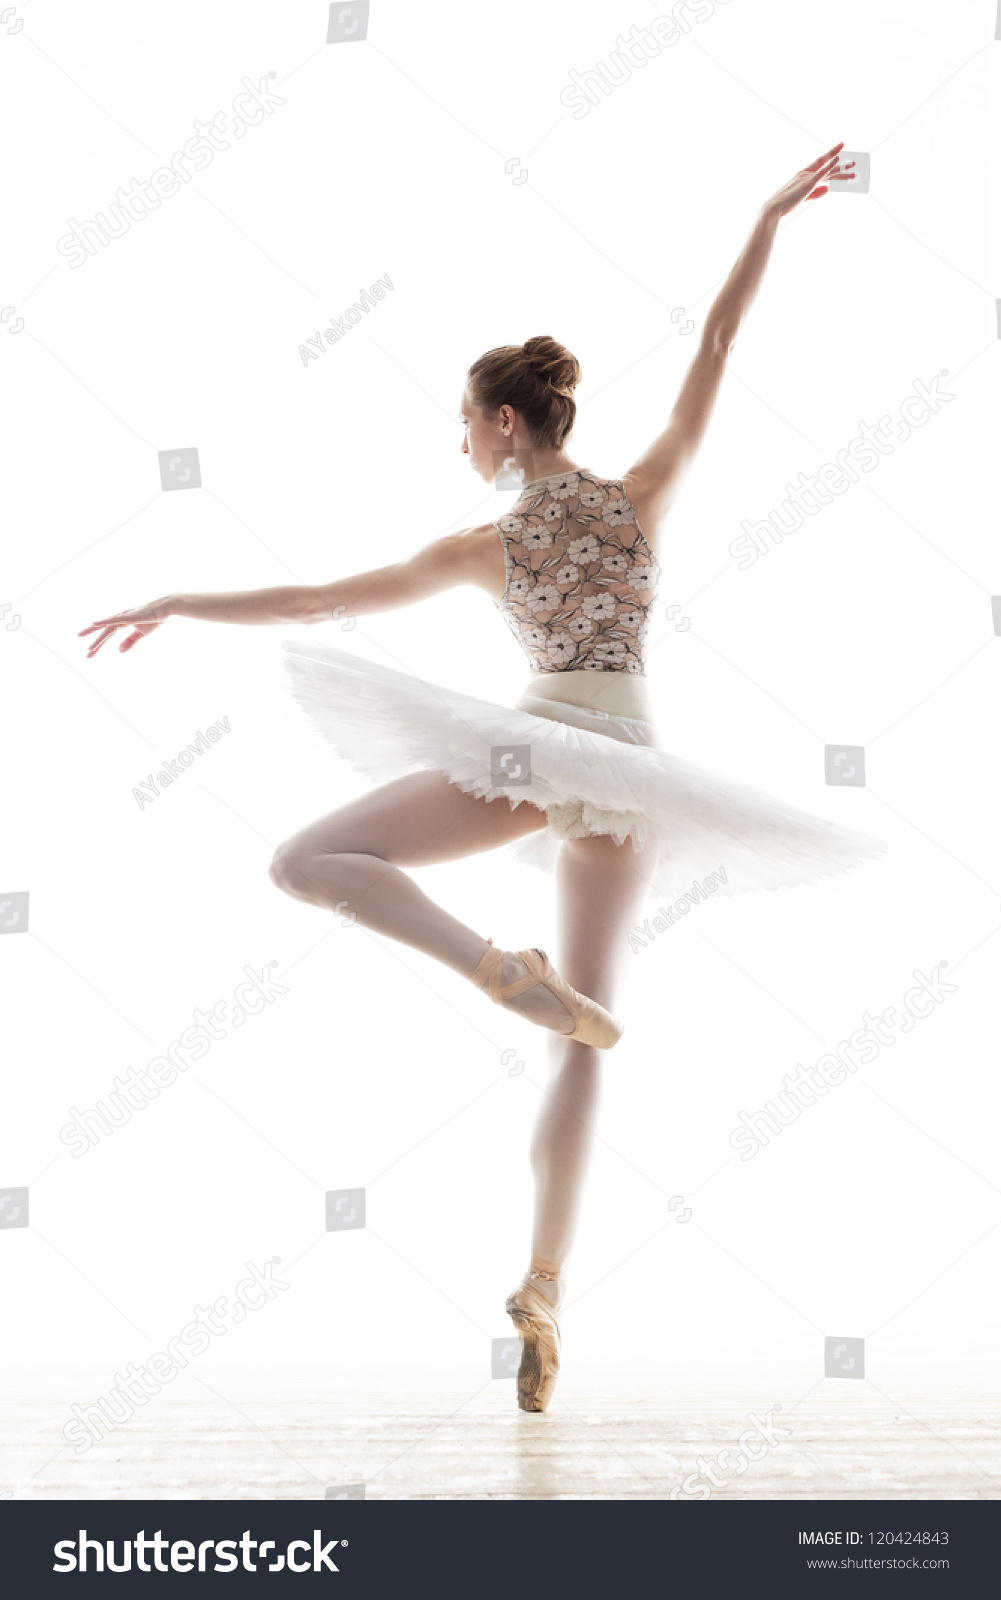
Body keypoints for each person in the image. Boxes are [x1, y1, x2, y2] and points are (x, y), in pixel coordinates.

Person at [80, 142, 878, 1414]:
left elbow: (319, 597)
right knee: (587, 1038)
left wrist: (180, 598)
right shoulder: (637, 496)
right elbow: (717, 349)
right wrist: (765, 217)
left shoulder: (480, 541)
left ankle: (500, 975)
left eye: (462, 420)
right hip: (629, 766)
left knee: (305, 863)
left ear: (504, 423)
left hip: (529, 746)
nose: (458, 439)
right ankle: (544, 1282)